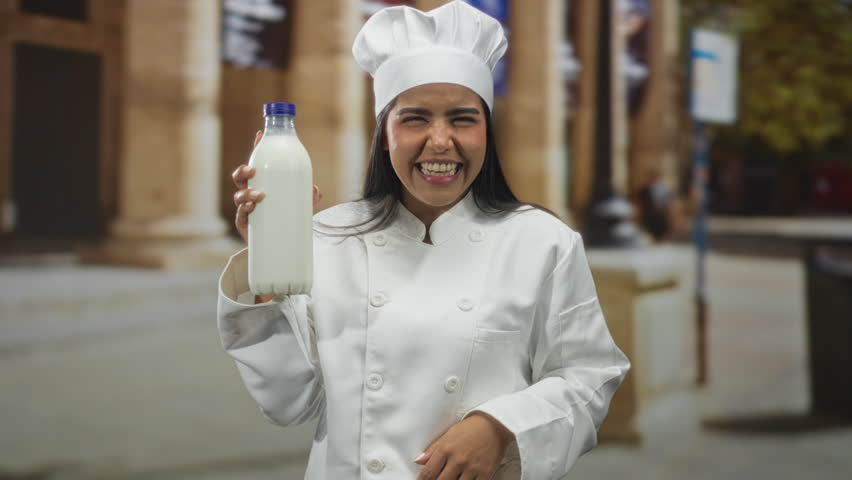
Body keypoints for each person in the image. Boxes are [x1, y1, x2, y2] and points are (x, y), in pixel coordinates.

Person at [218, 2, 630, 479]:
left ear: (486, 132)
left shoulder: (542, 243)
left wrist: (499, 426)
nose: (439, 141)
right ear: (384, 133)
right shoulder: (327, 237)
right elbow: (288, 402)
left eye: (461, 119)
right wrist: (267, 259)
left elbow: (590, 376)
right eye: (414, 119)